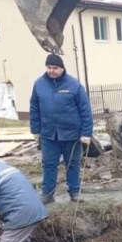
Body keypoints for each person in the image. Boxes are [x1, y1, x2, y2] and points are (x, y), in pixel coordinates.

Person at [30, 53, 93, 204]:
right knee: (49, 164)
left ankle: (74, 193)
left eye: (55, 68)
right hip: (49, 135)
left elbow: (85, 110)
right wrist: (35, 130)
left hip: (71, 134)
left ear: (62, 68)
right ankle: (48, 194)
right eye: (49, 67)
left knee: (72, 164)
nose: (52, 70)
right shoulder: (39, 84)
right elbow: (34, 108)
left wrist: (86, 133)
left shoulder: (74, 85)